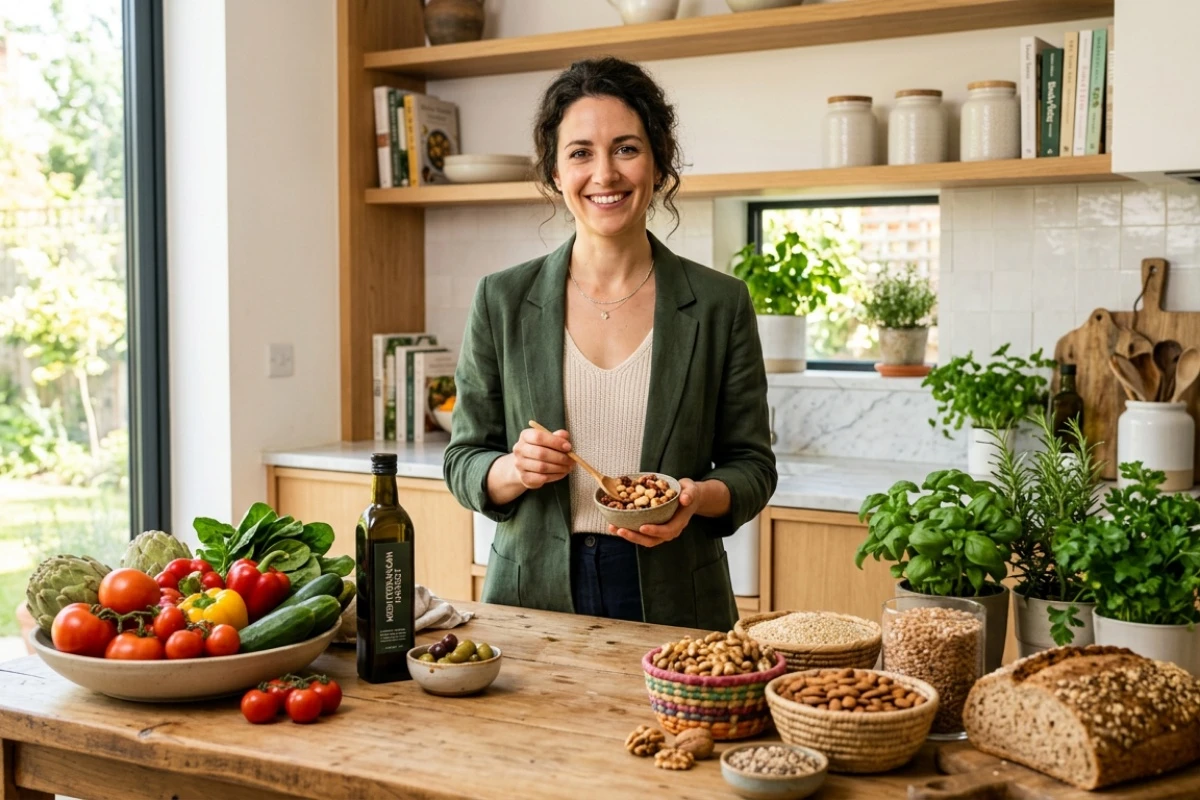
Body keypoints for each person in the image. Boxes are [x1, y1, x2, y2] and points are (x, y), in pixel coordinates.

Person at [443, 56, 776, 631]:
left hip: (677, 596)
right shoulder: (500, 299)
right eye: (580, 153)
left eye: (626, 148)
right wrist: (515, 470)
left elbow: (753, 466)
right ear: (553, 172)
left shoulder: (721, 303)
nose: (605, 174)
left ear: (658, 161)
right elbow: (463, 459)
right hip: (533, 593)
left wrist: (697, 497)